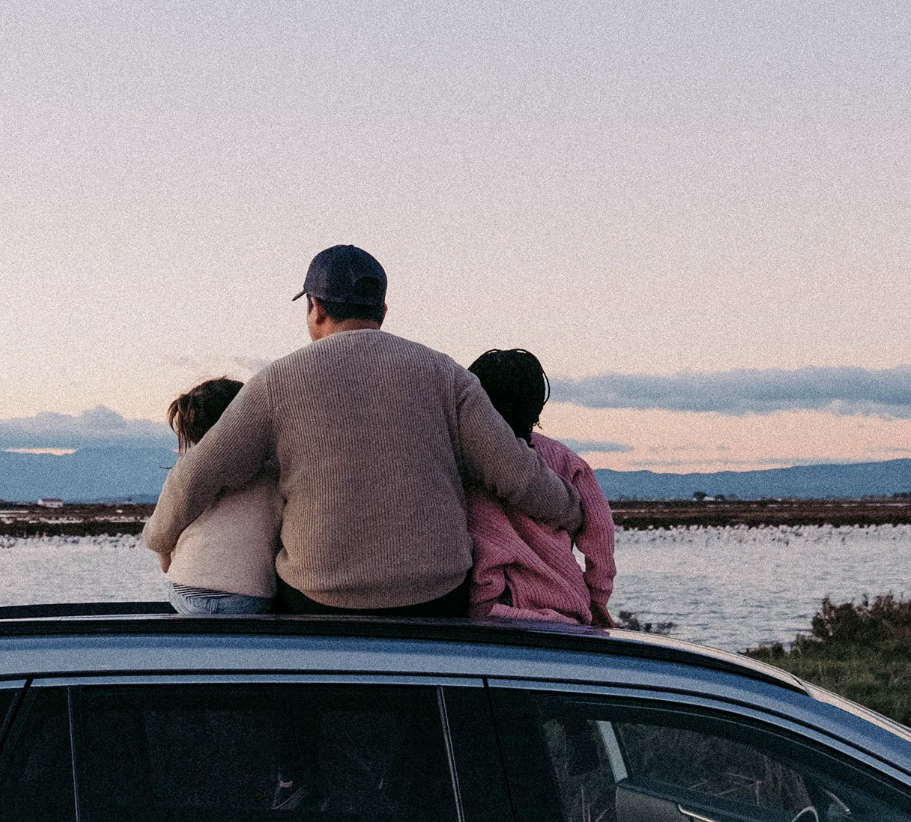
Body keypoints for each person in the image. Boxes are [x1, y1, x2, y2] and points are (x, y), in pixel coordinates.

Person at [144, 244, 583, 617]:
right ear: (383, 310)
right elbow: (515, 474)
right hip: (435, 597)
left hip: (320, 601)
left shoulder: (277, 382)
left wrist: (161, 540)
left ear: (314, 307)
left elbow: (196, 477)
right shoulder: (445, 375)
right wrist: (572, 509)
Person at [463, 349, 617, 626]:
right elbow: (600, 532)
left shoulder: (461, 458)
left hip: (487, 607)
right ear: (537, 403)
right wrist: (597, 597)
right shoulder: (566, 461)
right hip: (562, 607)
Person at [148, 377, 281, 615]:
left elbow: (158, 535)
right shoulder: (274, 473)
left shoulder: (187, 472)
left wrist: (168, 561)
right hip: (250, 596)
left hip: (187, 590)